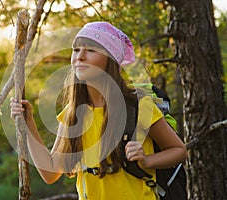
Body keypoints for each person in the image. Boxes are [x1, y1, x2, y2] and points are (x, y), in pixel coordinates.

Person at [10, 21, 187, 200]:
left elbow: (179, 150)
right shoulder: (72, 114)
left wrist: (147, 160)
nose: (80, 56)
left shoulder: (139, 106)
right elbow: (51, 173)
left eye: (91, 50)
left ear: (110, 60)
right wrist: (28, 123)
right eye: (76, 49)